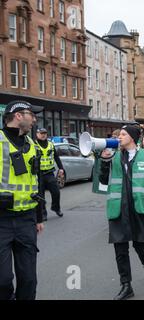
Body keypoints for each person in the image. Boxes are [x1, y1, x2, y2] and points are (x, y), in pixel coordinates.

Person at [99, 125, 144, 300]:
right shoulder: (113, 156)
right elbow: (103, 180)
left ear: (133, 137)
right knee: (120, 248)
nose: (119, 137)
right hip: (118, 208)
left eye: (123, 134)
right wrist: (104, 161)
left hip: (140, 207)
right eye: (119, 134)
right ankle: (126, 285)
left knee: (140, 244)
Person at [0, 100, 44, 300]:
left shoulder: (32, 145)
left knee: (28, 279)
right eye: (31, 114)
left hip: (27, 219)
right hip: (1, 220)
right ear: (18, 116)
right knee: (2, 280)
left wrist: (39, 216)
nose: (34, 119)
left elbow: (37, 181)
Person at [35, 128, 64, 221]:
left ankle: (56, 208)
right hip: (38, 174)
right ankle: (43, 213)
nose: (43, 135)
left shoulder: (51, 144)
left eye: (45, 133)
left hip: (49, 173)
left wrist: (61, 168)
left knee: (56, 192)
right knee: (41, 195)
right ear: (37, 134)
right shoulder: (33, 145)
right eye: (41, 133)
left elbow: (56, 156)